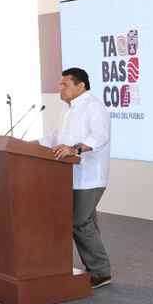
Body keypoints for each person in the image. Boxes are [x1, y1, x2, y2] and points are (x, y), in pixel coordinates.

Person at [38, 68, 112, 289]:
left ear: (81, 86)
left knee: (80, 222)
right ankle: (95, 266)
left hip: (90, 176)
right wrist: (27, 145)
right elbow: (54, 137)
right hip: (68, 176)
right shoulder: (67, 109)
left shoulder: (94, 107)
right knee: (86, 222)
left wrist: (74, 148)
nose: (60, 88)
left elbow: (100, 136)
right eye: (60, 84)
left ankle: (101, 271)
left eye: (65, 85)